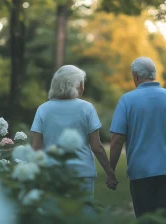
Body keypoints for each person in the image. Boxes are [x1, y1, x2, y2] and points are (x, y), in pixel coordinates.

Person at [108, 57, 166, 217]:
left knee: (145, 218)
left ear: (136, 75)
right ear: (154, 74)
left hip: (140, 171)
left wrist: (110, 171)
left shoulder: (127, 100)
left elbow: (117, 139)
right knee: (165, 218)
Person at [30, 65, 118, 200]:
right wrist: (110, 173)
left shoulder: (43, 109)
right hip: (82, 173)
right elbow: (97, 147)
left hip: (52, 173)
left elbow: (36, 148)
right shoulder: (87, 108)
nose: (83, 87)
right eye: (81, 83)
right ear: (76, 85)